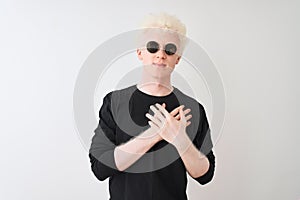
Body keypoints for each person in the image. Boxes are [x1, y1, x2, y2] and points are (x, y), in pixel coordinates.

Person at [89, 12, 216, 200]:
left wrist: (179, 139)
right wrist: (154, 135)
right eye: (152, 47)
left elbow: (205, 174)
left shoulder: (192, 108)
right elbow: (100, 168)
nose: (161, 55)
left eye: (170, 50)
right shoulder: (115, 102)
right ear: (140, 53)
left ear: (178, 58)